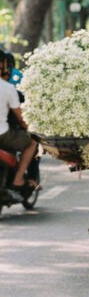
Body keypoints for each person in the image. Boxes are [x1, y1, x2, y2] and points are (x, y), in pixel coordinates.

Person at [0, 50, 37, 192]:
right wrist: (30, 128)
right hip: (4, 133)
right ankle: (18, 179)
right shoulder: (9, 87)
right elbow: (21, 119)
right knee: (33, 141)